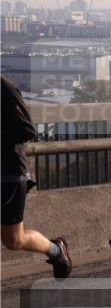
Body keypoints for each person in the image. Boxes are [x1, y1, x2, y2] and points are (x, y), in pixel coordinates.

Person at [1, 77, 72, 277]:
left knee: (14, 240)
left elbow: (27, 129)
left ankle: (56, 250)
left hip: (9, 175)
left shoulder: (4, 88)